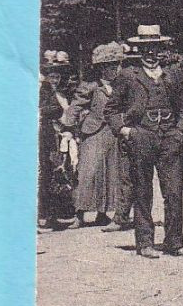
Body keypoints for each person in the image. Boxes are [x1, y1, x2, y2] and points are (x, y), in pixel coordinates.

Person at [106, 26, 183, 259]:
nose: (150, 53)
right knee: (142, 192)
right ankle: (145, 243)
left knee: (174, 192)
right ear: (139, 50)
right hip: (141, 136)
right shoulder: (128, 75)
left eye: (154, 48)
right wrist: (125, 130)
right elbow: (111, 109)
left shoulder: (173, 74)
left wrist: (178, 133)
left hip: (170, 139)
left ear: (161, 49)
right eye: (145, 48)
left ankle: (175, 243)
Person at [69, 42, 130, 228]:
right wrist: (67, 126)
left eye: (115, 65)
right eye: (108, 66)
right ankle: (79, 215)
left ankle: (103, 214)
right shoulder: (91, 86)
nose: (113, 70)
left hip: (114, 133)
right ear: (101, 68)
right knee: (88, 172)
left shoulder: (123, 85)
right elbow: (76, 105)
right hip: (94, 132)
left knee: (111, 173)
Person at [39, 50, 77, 229]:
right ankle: (46, 214)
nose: (55, 80)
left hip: (59, 135)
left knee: (61, 171)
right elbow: (46, 111)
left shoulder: (62, 92)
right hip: (47, 136)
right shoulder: (43, 91)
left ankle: (58, 211)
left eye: (57, 77)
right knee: (48, 173)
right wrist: (59, 114)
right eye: (52, 76)